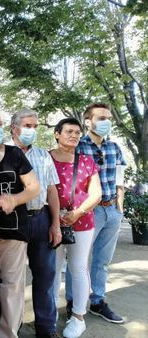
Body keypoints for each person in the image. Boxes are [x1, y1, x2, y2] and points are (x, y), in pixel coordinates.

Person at [0, 110, 40, 338]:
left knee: (10, 288)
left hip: (13, 234)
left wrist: (14, 199)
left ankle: (5, 334)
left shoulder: (14, 154)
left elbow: (34, 187)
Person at [63, 103, 126, 324]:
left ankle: (98, 301)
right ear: (88, 121)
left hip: (112, 211)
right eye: (100, 118)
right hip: (89, 212)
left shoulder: (115, 147)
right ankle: (73, 302)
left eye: (108, 117)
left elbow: (119, 179)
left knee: (103, 261)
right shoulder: (78, 146)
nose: (106, 121)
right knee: (79, 261)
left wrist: (120, 205)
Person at [10, 108, 62, 338]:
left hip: (41, 218)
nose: (32, 130)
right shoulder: (1, 152)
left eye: (35, 126)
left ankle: (46, 327)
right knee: (11, 279)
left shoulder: (43, 155)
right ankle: (12, 326)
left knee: (45, 275)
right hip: (12, 222)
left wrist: (55, 224)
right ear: (14, 128)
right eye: (27, 126)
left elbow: (52, 190)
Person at [50, 117, 102, 338]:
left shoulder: (87, 161)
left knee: (79, 269)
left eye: (77, 132)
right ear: (57, 134)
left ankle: (78, 317)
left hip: (81, 223)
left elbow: (96, 193)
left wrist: (78, 213)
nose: (74, 135)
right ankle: (49, 314)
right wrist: (56, 217)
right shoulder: (45, 158)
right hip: (51, 222)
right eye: (69, 131)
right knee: (51, 269)